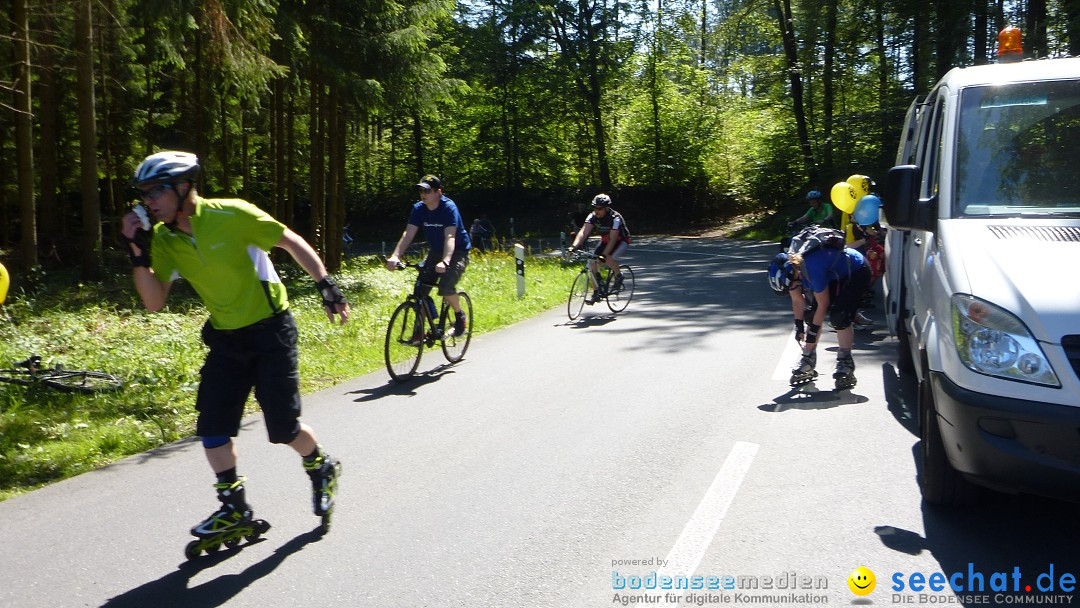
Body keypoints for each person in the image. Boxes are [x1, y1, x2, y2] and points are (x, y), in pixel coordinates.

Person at [119, 151, 348, 541]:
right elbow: (154, 301)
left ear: (183, 186)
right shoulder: (163, 239)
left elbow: (290, 241)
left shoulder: (232, 214)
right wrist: (137, 252)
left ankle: (321, 465)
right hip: (226, 338)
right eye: (144, 194)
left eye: (155, 191)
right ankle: (234, 507)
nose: (148, 202)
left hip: (271, 331)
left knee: (283, 428)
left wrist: (326, 286)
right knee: (212, 426)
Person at [385, 174, 471, 337]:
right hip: (436, 251)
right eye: (421, 191)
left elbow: (450, 237)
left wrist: (445, 262)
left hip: (458, 251)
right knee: (420, 290)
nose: (423, 195)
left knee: (445, 287)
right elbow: (408, 234)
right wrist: (396, 256)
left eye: (427, 191)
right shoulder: (419, 208)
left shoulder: (448, 207)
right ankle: (420, 331)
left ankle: (459, 315)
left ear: (439, 192)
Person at [786, 244, 871, 390]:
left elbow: (823, 305)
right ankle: (808, 359)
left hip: (857, 269)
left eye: (792, 285)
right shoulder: (792, 270)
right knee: (811, 316)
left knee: (839, 316)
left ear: (795, 275)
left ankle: (845, 362)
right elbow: (797, 300)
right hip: (833, 271)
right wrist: (799, 326)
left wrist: (811, 335)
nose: (792, 289)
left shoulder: (812, 270)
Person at [567, 193, 631, 303]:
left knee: (609, 258)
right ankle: (597, 292)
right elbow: (583, 232)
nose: (596, 210)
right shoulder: (592, 216)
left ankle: (619, 276)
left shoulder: (615, 218)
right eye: (594, 207)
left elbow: (613, 239)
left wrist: (604, 255)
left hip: (620, 241)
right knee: (592, 263)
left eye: (599, 208)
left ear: (606, 208)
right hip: (606, 240)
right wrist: (573, 246)